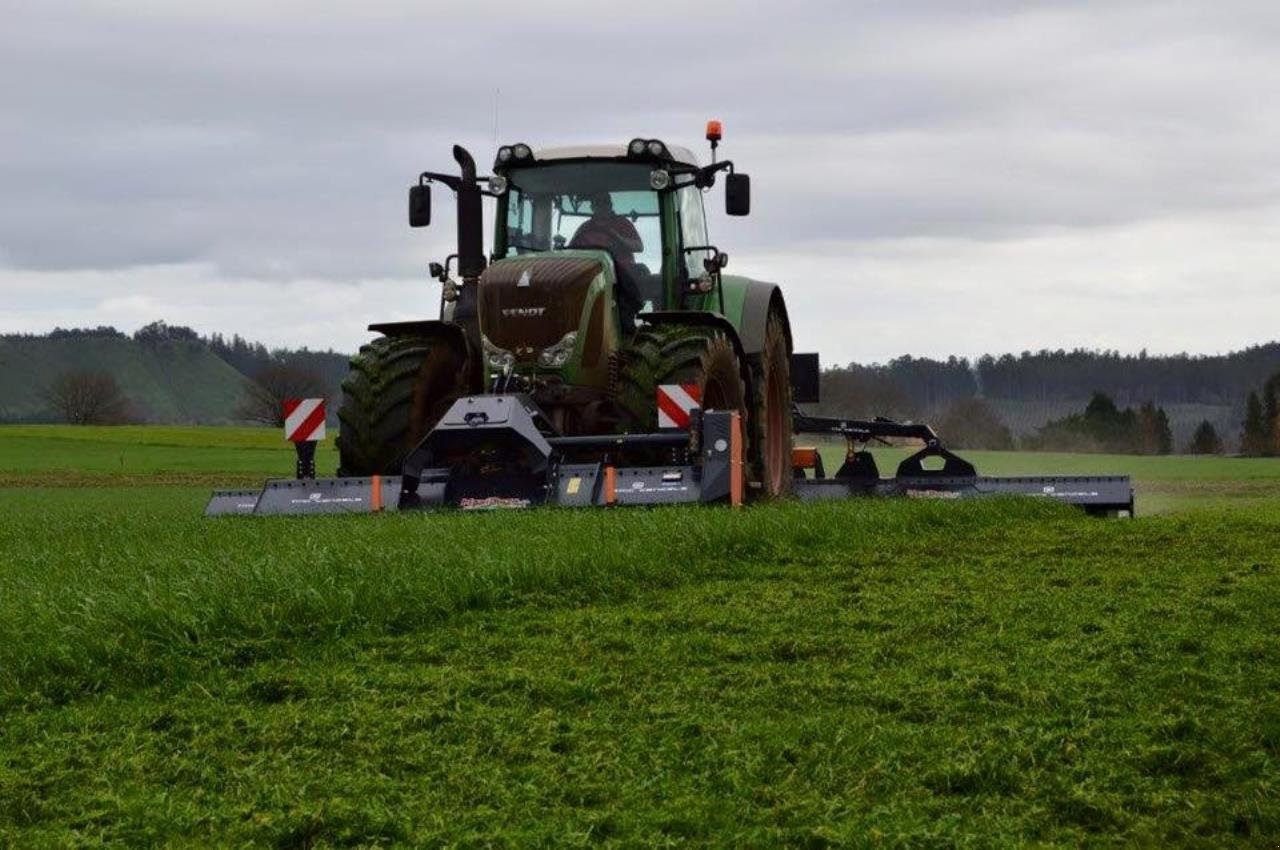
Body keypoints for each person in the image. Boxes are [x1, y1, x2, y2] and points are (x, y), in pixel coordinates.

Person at [569, 193, 644, 262]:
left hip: (622, 270)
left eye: (605, 202)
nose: (602, 206)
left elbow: (639, 247)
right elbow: (570, 252)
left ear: (611, 205)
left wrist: (618, 237)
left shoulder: (623, 223)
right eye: (598, 202)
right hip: (591, 268)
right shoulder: (584, 228)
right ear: (592, 207)